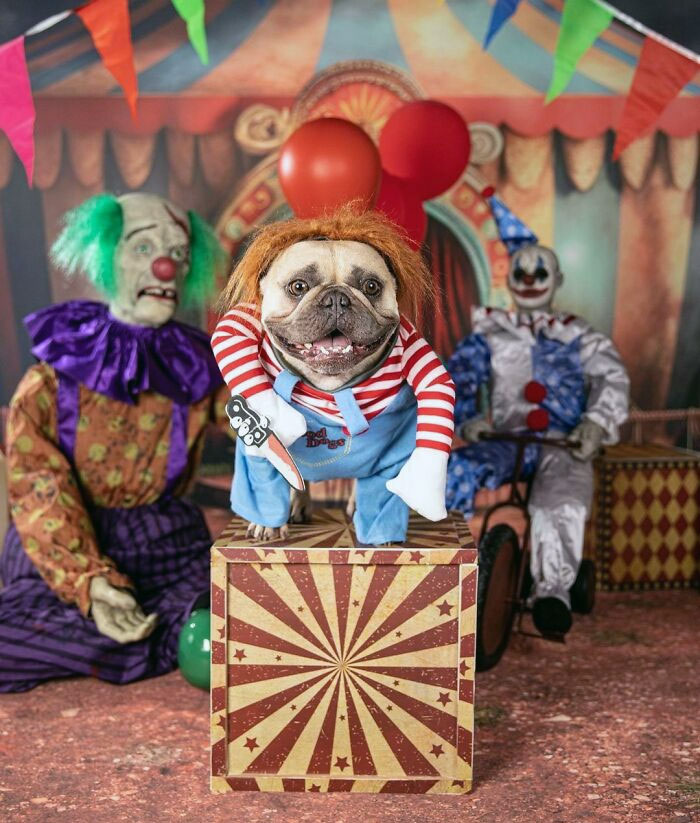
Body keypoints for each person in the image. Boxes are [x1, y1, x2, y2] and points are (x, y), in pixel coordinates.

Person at [0, 193, 228, 692]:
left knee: (234, 615)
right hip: (68, 542)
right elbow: (38, 487)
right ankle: (152, 635)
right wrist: (91, 583)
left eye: (180, 253)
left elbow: (258, 421)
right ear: (107, 256)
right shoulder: (50, 378)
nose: (168, 267)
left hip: (167, 541)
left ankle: (176, 630)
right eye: (143, 248)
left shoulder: (199, 365)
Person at [447, 235, 629, 635]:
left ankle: (552, 594)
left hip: (562, 442)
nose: (531, 280)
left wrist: (595, 423)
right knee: (450, 471)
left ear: (557, 279)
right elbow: (455, 378)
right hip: (504, 440)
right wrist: (468, 419)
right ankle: (437, 571)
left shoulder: (580, 335)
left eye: (540, 272)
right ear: (509, 279)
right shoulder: (491, 333)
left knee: (561, 500)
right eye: (521, 273)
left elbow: (610, 378)